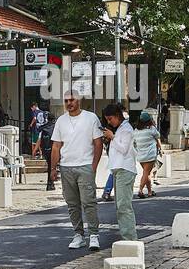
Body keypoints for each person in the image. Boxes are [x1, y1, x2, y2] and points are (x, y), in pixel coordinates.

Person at [50, 90, 104, 250]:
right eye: (66, 101)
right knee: (72, 204)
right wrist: (53, 168)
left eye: (72, 100)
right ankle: (78, 235)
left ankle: (94, 235)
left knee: (89, 202)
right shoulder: (61, 121)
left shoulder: (90, 118)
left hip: (85, 165)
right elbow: (56, 146)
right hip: (66, 167)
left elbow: (98, 143)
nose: (69, 103)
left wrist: (94, 166)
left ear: (79, 101)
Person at [102, 103, 138, 242]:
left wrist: (112, 137)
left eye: (110, 119)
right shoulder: (120, 129)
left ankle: (130, 239)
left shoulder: (126, 129)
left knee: (124, 206)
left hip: (125, 169)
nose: (109, 122)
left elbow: (124, 149)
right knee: (120, 206)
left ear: (117, 116)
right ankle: (127, 237)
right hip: (118, 169)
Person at [132, 112, 161, 198]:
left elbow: (134, 143)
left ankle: (149, 192)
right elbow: (158, 137)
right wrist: (160, 149)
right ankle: (140, 190)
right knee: (146, 173)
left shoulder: (136, 131)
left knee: (147, 173)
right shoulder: (151, 129)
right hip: (150, 155)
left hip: (140, 155)